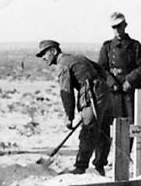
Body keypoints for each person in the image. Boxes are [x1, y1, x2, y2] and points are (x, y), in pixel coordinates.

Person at [37, 40, 112, 175]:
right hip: (104, 92)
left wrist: (69, 117)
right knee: (102, 130)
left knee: (89, 130)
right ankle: (100, 166)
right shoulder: (76, 56)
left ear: (53, 51)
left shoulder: (62, 65)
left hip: (92, 94)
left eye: (44, 53)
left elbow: (66, 93)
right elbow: (101, 70)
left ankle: (80, 167)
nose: (43, 57)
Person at [97, 11, 141, 126]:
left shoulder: (135, 46)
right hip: (113, 92)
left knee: (134, 124)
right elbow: (101, 69)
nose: (117, 30)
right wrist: (111, 83)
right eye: (114, 27)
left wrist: (130, 80)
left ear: (125, 25)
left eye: (119, 26)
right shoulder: (107, 47)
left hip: (130, 92)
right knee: (111, 126)